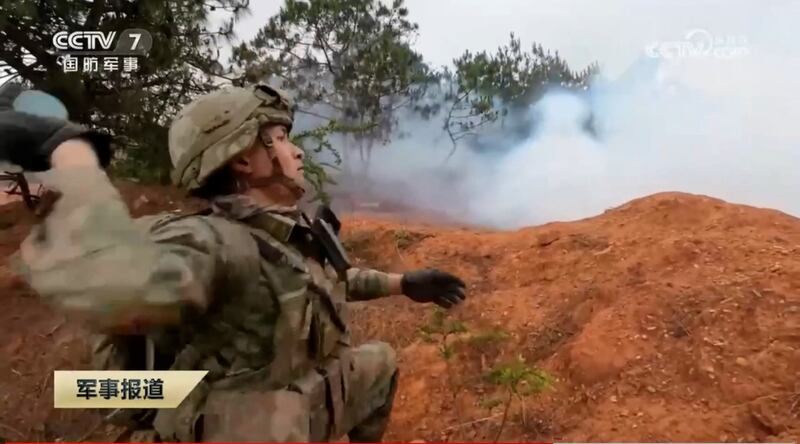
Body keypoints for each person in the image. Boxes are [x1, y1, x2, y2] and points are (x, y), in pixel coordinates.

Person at [0, 83, 467, 442]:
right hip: (241, 424)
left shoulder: (278, 233)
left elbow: (326, 282)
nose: (297, 150)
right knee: (260, 415)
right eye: (280, 138)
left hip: (296, 402)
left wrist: (403, 282)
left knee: (378, 364)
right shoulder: (213, 239)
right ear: (244, 160)